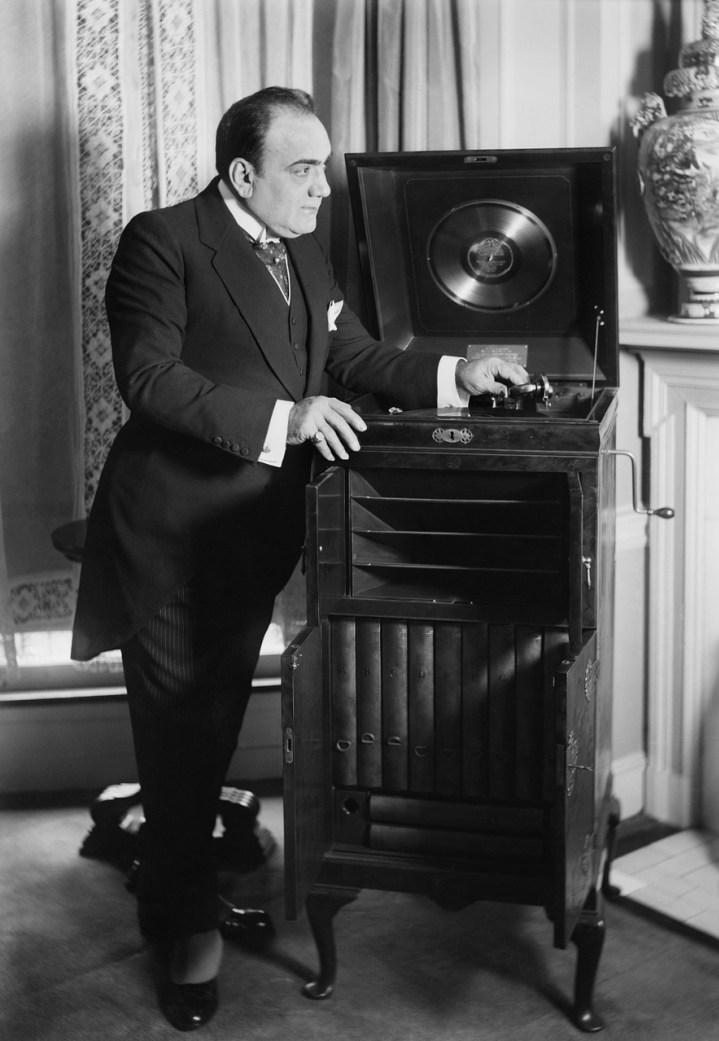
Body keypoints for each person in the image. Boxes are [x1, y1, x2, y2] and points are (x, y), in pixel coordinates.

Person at [71, 86, 528, 1031]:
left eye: (320, 165)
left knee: (209, 728)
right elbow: (150, 379)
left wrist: (456, 371)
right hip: (168, 539)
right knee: (181, 746)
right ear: (244, 173)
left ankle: (175, 888)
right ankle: (186, 935)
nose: (321, 186)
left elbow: (353, 352)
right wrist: (292, 419)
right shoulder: (161, 240)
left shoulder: (303, 247)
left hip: (249, 540)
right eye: (302, 167)